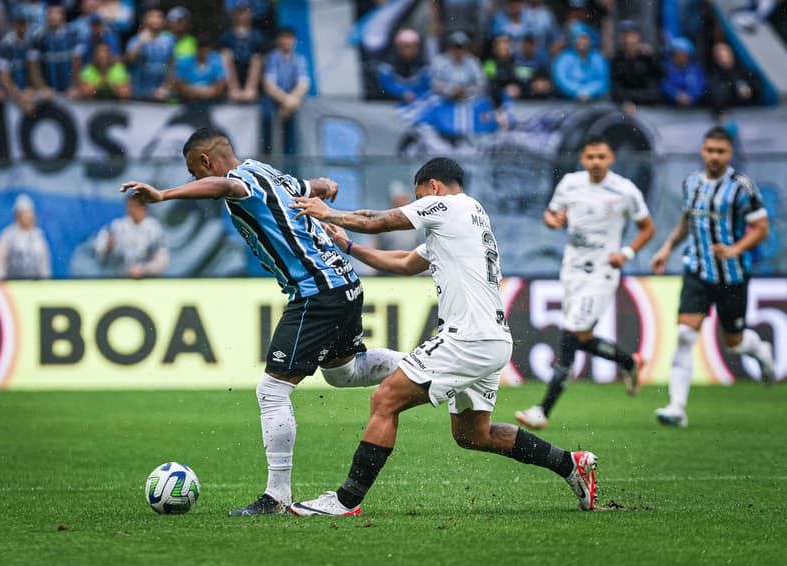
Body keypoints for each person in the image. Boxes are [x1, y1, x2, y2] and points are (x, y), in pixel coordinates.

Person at [287, 157, 598, 516]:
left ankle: (346, 500)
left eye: (418, 198)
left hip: (467, 338)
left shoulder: (449, 205)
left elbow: (379, 220)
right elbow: (404, 263)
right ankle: (570, 464)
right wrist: (350, 247)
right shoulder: (465, 221)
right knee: (473, 434)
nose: (417, 207)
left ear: (433, 187)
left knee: (385, 400)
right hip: (492, 339)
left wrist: (328, 213)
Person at [121, 127, 405, 515]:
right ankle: (426, 366)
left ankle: (276, 497)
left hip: (316, 291)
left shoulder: (241, 181)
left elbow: (225, 187)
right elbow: (313, 184)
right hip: (343, 283)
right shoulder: (269, 172)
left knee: (271, 391)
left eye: (195, 172)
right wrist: (326, 185)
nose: (197, 180)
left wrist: (164, 193)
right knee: (343, 373)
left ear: (206, 161)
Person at [514, 136, 655, 430]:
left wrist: (626, 253)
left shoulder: (625, 190)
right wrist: (553, 221)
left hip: (602, 273)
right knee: (582, 337)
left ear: (611, 158)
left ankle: (542, 410)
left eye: (601, 157)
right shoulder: (570, 183)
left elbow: (647, 228)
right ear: (582, 157)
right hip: (572, 270)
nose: (596, 162)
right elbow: (551, 214)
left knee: (571, 334)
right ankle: (629, 362)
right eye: (590, 157)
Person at [651, 127, 776, 428]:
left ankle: (760, 350)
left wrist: (735, 249)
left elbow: (761, 230)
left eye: (720, 151)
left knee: (734, 342)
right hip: (697, 270)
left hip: (731, 276)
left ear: (730, 154)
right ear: (702, 151)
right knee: (684, 335)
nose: (714, 157)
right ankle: (677, 408)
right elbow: (687, 220)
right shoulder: (691, 183)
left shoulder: (742, 187)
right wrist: (667, 248)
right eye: (709, 150)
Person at [261, 27, 310, 158]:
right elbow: (269, 85)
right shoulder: (272, 58)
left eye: (289, 38)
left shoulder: (299, 59)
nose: (286, 41)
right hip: (275, 101)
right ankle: (268, 159)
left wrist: (291, 102)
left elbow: (303, 84)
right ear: (278, 40)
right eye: (284, 37)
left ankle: (291, 164)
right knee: (269, 130)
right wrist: (286, 100)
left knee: (292, 137)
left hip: (290, 101)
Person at [94, 195, 169, 278]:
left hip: (147, 279)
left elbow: (162, 259)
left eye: (134, 206)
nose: (130, 210)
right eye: (129, 206)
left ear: (143, 208)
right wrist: (107, 248)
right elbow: (99, 255)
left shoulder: (154, 228)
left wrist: (144, 270)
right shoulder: (116, 227)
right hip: (119, 279)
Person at [0, 194, 52, 280]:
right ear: (18, 214)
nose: (28, 216)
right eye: (25, 213)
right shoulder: (7, 236)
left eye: (30, 212)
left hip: (35, 287)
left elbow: (44, 265)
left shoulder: (39, 236)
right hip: (12, 286)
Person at [610, 20, 661, 115]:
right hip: (623, 109)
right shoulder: (617, 59)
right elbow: (615, 87)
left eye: (631, 35)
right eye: (624, 36)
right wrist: (625, 101)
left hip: (649, 110)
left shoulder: (648, 58)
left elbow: (654, 92)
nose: (628, 40)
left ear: (638, 37)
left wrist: (630, 98)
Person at [124, 8, 174, 101]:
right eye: (151, 16)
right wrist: (141, 43)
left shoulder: (169, 40)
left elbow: (172, 66)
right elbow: (129, 60)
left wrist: (166, 87)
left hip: (161, 94)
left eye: (159, 16)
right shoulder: (135, 40)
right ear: (145, 20)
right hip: (138, 93)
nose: (155, 19)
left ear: (163, 21)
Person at [551, 23, 609, 102]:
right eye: (579, 37)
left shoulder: (598, 58)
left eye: (585, 38)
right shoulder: (563, 58)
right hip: (567, 103)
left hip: (594, 103)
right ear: (573, 39)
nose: (582, 41)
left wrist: (588, 92)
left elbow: (603, 81)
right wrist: (578, 92)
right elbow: (561, 80)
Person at [661, 37, 705, 108]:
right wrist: (676, 94)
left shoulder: (695, 69)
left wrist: (690, 96)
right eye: (678, 54)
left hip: (693, 109)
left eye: (684, 54)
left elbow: (700, 85)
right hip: (670, 108)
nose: (681, 57)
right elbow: (664, 84)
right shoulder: (666, 67)